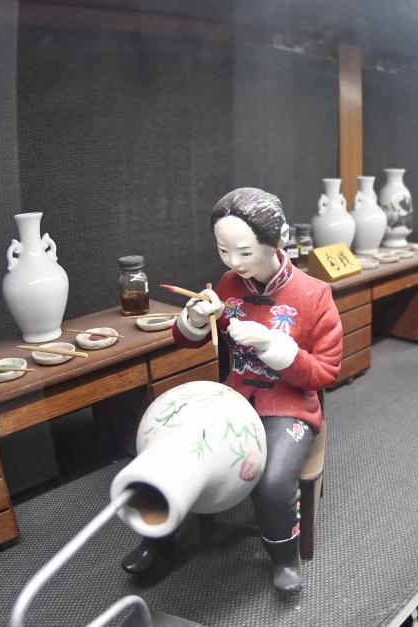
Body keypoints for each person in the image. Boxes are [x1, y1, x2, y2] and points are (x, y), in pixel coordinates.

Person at [122, 188, 343, 593]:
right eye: (224, 251)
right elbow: (187, 339)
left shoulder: (314, 295)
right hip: (232, 399)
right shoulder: (228, 284)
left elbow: (326, 371)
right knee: (174, 453)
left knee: (272, 481)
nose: (234, 263)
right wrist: (195, 317)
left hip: (288, 406)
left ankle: (284, 555)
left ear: (277, 240)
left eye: (244, 252)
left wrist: (272, 345)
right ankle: (158, 536)